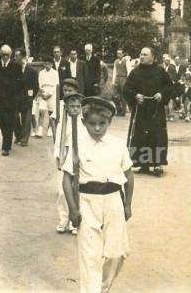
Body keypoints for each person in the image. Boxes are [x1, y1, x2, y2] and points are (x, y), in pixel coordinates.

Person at [62, 96, 134, 293]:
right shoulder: (78, 144)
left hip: (113, 201)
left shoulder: (117, 144)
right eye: (92, 124)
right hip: (87, 202)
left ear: (109, 122)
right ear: (83, 123)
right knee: (89, 255)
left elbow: (129, 175)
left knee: (116, 253)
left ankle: (103, 288)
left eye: (102, 124)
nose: (97, 128)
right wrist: (72, 209)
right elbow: (67, 179)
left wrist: (127, 204)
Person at [123, 47, 174, 176]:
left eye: (145, 54)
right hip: (140, 110)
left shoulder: (160, 71)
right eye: (140, 54)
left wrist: (161, 95)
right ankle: (143, 163)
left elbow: (170, 87)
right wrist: (135, 96)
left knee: (157, 136)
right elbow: (126, 89)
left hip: (156, 110)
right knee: (140, 135)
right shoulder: (135, 72)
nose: (141, 56)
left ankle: (157, 164)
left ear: (152, 57)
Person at [54, 80, 85, 235]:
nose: (75, 109)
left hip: (78, 155)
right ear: (66, 107)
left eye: (77, 106)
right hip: (65, 154)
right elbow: (58, 141)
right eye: (72, 106)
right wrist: (58, 158)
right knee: (62, 190)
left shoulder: (83, 122)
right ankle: (63, 218)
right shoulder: (62, 122)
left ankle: (75, 220)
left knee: (76, 189)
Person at [0, 45, 24, 156]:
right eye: (3, 54)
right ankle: (7, 141)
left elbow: (20, 83)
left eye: (7, 55)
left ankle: (6, 147)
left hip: (11, 100)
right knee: (2, 122)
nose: (5, 57)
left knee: (9, 123)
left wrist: (15, 95)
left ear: (10, 55)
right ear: (0, 55)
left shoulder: (16, 66)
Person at [14, 48, 39, 147]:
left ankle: (24, 140)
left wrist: (30, 96)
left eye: (17, 56)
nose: (15, 58)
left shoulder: (32, 71)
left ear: (23, 57)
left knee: (26, 119)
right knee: (13, 117)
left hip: (26, 99)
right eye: (15, 56)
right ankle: (18, 135)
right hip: (15, 98)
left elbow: (36, 86)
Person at [37, 56, 60, 138]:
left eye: (49, 64)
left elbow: (56, 84)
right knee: (41, 111)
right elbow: (39, 83)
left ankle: (50, 129)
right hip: (43, 92)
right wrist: (43, 93)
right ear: (44, 64)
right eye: (46, 64)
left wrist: (49, 94)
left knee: (51, 112)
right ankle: (40, 130)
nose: (47, 65)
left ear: (52, 64)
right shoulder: (41, 73)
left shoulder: (55, 73)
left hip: (52, 93)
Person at [112, 49, 131, 116]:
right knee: (114, 96)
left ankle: (123, 112)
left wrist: (128, 81)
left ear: (123, 54)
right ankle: (118, 110)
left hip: (124, 78)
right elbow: (114, 71)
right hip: (117, 79)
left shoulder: (126, 61)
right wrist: (113, 82)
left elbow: (129, 71)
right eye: (117, 53)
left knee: (123, 96)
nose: (118, 55)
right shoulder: (116, 61)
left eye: (120, 53)